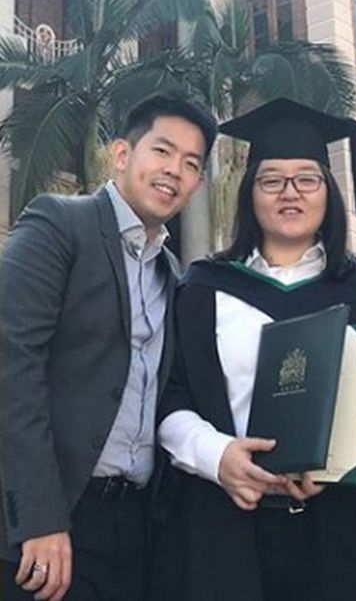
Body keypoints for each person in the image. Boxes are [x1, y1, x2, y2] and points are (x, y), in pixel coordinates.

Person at [153, 98, 356, 601]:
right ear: (250, 194)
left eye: (307, 179)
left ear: (328, 192)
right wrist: (217, 456)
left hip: (335, 531)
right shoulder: (204, 289)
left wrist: (337, 457)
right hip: (223, 523)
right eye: (271, 181)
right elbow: (169, 395)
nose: (290, 193)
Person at [0, 93, 217, 601]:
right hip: (52, 519)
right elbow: (11, 364)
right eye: (162, 151)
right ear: (121, 154)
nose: (174, 170)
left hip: (131, 527)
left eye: (191, 164)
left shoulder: (171, 273)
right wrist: (40, 518)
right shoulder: (59, 224)